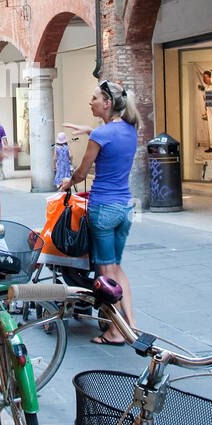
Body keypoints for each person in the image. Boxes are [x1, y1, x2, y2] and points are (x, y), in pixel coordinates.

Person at [61, 79, 140, 345]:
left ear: (107, 103)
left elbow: (82, 172)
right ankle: (131, 324)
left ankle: (116, 331)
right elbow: (110, 135)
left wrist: (68, 182)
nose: (90, 101)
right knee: (116, 267)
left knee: (106, 272)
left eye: (94, 98)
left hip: (103, 207)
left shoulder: (100, 136)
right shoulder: (131, 130)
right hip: (126, 207)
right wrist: (89, 129)